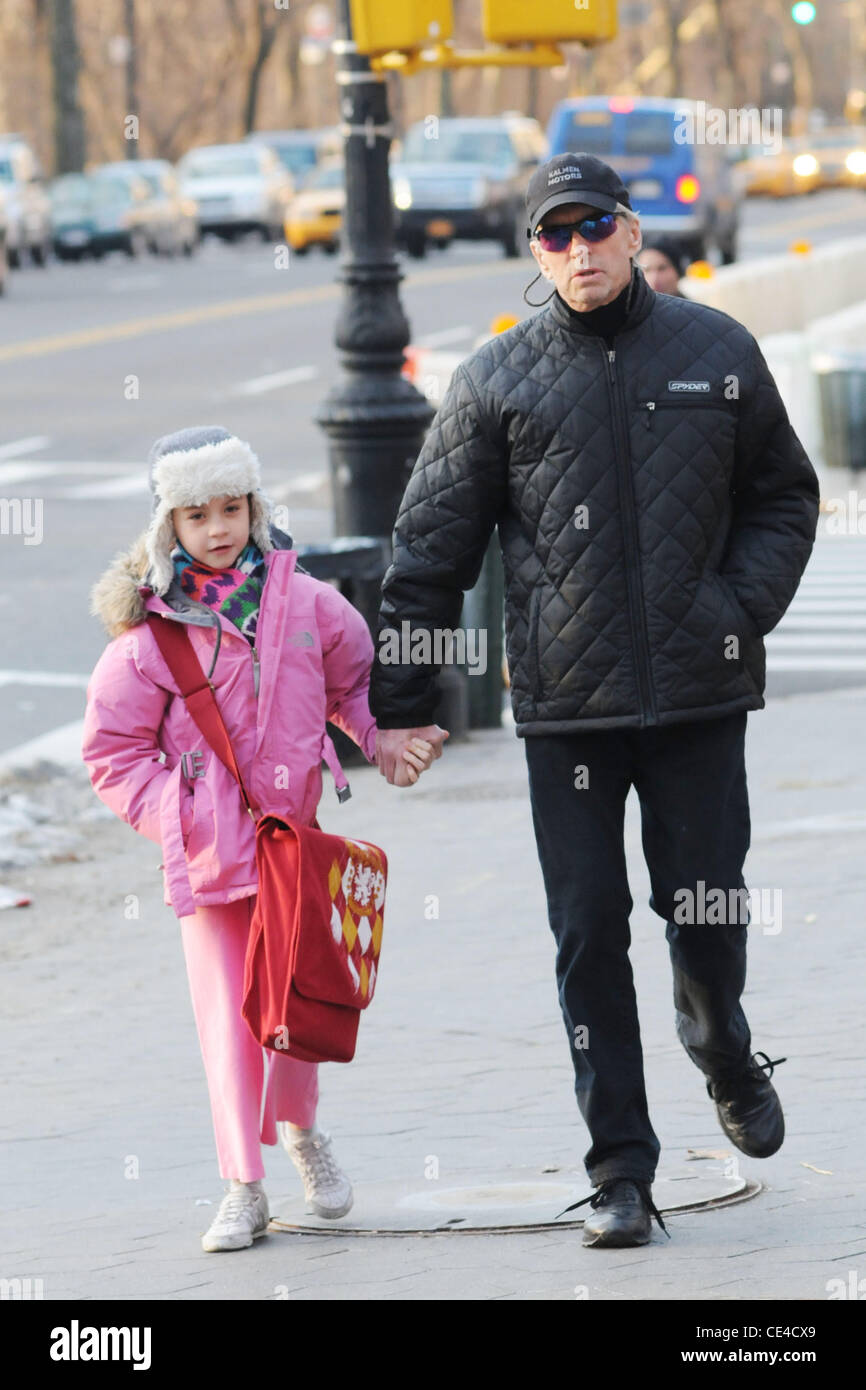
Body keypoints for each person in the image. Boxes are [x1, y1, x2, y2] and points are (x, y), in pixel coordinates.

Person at [371, 154, 819, 1248]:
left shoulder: (714, 350)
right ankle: (619, 1167)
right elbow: (428, 550)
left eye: (595, 228)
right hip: (566, 712)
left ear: (630, 232)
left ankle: (716, 1042)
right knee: (585, 937)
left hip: (699, 697)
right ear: (534, 252)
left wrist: (730, 609)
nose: (577, 250)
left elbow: (782, 496)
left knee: (703, 914)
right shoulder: (496, 380)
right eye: (554, 234)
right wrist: (398, 700)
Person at [82, 425, 434, 1253]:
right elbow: (111, 750)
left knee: (301, 1000)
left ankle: (301, 1134)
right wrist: (177, 809)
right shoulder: (151, 637)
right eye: (197, 515)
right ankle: (242, 1182)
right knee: (229, 1021)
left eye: (232, 509)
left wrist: (382, 739)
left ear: (254, 508)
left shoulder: (309, 603)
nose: (218, 529)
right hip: (207, 859)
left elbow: (354, 683)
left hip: (293, 846)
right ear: (170, 525)